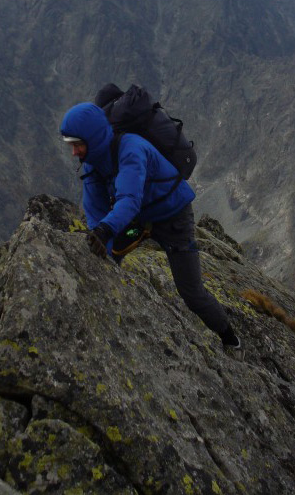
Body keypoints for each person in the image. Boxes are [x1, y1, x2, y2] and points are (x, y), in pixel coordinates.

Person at [60, 101, 243, 356]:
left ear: (93, 138)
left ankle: (231, 340)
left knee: (190, 292)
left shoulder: (131, 149)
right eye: (71, 145)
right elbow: (95, 212)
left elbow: (129, 200)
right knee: (105, 259)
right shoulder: (92, 163)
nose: (74, 152)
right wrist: (100, 238)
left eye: (77, 144)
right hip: (137, 221)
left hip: (173, 219)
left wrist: (105, 230)